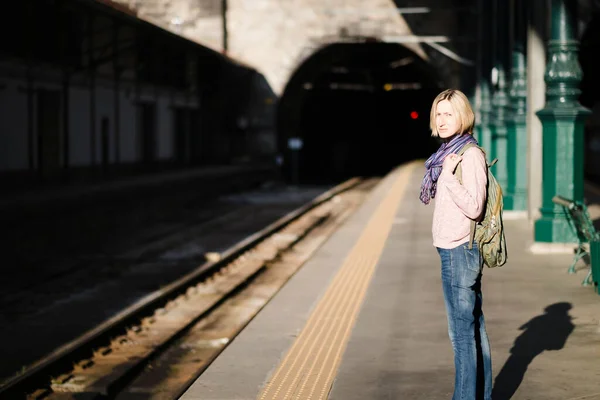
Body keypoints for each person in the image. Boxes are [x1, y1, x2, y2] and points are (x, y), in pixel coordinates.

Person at [419, 88, 493, 399]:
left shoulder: (469, 155)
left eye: (449, 113)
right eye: (439, 113)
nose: (443, 119)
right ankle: (481, 395)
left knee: (461, 334)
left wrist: (448, 177)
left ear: (463, 116)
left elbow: (475, 207)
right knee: (473, 328)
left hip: (460, 250)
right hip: (451, 249)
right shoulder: (450, 153)